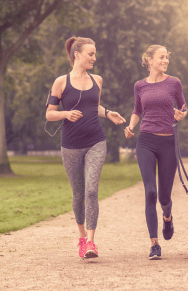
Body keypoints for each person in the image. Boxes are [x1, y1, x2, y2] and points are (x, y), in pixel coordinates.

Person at [45, 37, 126, 259]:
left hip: (96, 141)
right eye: (90, 54)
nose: (94, 58)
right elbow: (49, 114)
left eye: (95, 54)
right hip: (70, 145)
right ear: (77, 54)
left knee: (91, 191)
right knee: (78, 193)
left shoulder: (97, 80)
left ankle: (91, 242)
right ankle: (81, 237)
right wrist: (65, 114)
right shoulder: (61, 82)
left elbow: (94, 106)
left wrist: (108, 113)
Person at [124, 45, 188, 260]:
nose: (165, 61)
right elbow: (137, 110)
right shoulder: (139, 86)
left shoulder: (174, 83)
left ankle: (167, 217)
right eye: (161, 57)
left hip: (168, 143)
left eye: (167, 57)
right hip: (146, 142)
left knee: (164, 196)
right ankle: (154, 244)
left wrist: (181, 115)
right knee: (150, 192)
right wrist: (131, 126)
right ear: (149, 60)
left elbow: (184, 106)